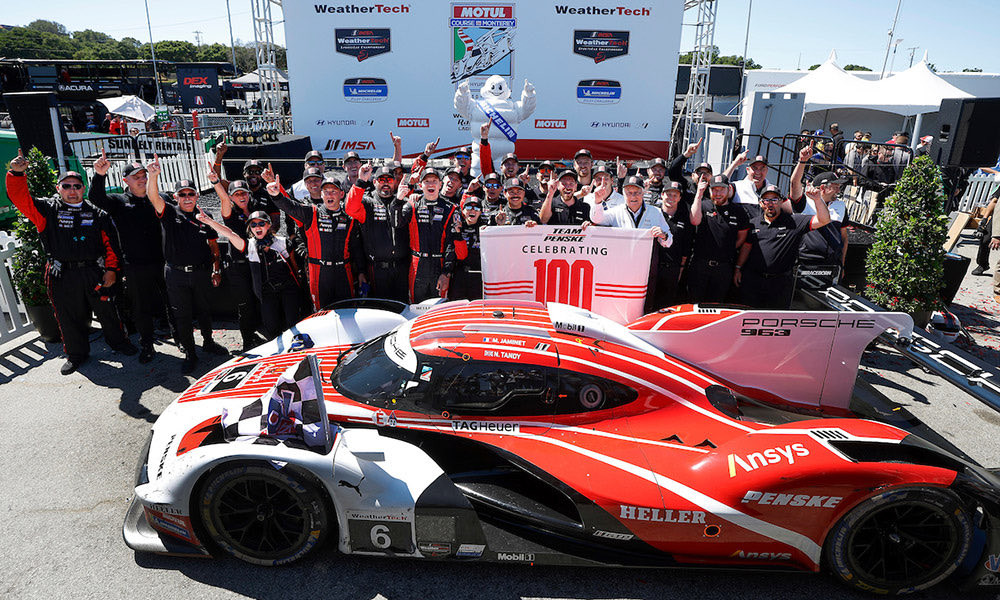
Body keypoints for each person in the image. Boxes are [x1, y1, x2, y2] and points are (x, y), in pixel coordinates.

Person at [7, 153, 137, 374]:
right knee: (68, 316)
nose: (72, 190)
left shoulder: (98, 214)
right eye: (66, 186)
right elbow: (21, 199)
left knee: (108, 311)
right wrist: (17, 173)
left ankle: (119, 343)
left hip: (95, 272)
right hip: (61, 275)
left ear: (83, 188)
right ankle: (76, 354)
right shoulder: (46, 209)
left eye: (77, 186)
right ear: (59, 189)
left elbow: (111, 246)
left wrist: (112, 270)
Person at [90, 151, 175, 363]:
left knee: (172, 301)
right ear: (125, 180)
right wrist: (99, 175)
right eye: (136, 176)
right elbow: (96, 198)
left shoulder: (158, 197)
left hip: (163, 261)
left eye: (143, 175)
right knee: (141, 307)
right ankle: (147, 344)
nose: (142, 179)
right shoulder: (119, 201)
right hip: (135, 265)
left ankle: (181, 337)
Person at [146, 160, 229, 374]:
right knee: (181, 315)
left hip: (201, 271)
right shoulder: (169, 213)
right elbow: (153, 197)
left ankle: (208, 342)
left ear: (197, 196)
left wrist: (216, 268)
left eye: (190, 194)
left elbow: (213, 244)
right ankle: (190, 354)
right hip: (176, 274)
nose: (187, 198)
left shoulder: (205, 217)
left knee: (204, 310)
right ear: (175, 197)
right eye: (182, 194)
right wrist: (153, 176)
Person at [197, 210, 300, 340]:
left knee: (293, 322)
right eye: (253, 225)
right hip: (267, 291)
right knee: (271, 326)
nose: (258, 227)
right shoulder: (249, 245)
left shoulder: (283, 242)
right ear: (250, 229)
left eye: (261, 223)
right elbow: (229, 234)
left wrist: (298, 287)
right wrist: (209, 221)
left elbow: (294, 266)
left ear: (268, 225)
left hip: (288, 288)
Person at [267, 172, 364, 311]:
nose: (329, 195)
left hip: (344, 270)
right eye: (326, 191)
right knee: (321, 312)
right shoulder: (311, 213)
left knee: (347, 310)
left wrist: (361, 271)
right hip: (319, 272)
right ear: (322, 194)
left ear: (341, 194)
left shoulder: (349, 217)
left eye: (333, 191)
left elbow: (356, 247)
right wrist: (276, 195)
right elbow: (290, 206)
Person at [735, 184, 830, 309]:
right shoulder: (753, 224)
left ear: (781, 202)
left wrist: (818, 199)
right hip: (753, 281)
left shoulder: (795, 221)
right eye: (766, 200)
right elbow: (746, 247)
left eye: (774, 200)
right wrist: (738, 268)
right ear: (761, 203)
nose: (770, 203)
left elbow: (824, 220)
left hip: (780, 284)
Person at [207, 169, 267, 351]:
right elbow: (223, 200)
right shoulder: (230, 213)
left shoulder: (256, 208)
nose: (241, 196)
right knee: (245, 305)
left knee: (260, 301)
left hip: (256, 264)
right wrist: (216, 182)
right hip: (238, 267)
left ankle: (258, 335)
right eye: (236, 194)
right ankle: (247, 342)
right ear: (232, 197)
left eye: (244, 193)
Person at [392, 168, 468, 301]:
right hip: (417, 263)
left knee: (439, 307)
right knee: (416, 306)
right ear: (420, 185)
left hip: (440, 264)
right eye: (427, 181)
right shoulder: (412, 205)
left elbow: (451, 244)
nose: (431, 184)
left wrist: (446, 272)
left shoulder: (451, 209)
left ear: (440, 184)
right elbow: (396, 223)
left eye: (434, 181)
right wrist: (398, 200)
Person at [346, 165, 411, 302]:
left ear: (395, 182)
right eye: (382, 179)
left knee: (404, 306)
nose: (386, 183)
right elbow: (350, 209)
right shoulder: (367, 203)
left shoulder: (404, 202)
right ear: (375, 182)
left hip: (403, 268)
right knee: (382, 308)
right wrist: (361, 181)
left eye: (389, 179)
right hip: (377, 270)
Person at [687, 174, 750, 303]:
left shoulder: (739, 211)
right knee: (694, 302)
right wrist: (699, 194)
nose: (718, 193)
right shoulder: (703, 205)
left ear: (729, 190)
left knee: (716, 304)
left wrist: (727, 249)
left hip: (723, 268)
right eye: (714, 189)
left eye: (722, 189)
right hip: (700, 265)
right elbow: (694, 220)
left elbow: (742, 237)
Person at [789, 151, 850, 277]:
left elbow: (844, 238)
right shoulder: (805, 202)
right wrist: (802, 161)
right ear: (823, 188)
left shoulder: (841, 205)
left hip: (832, 265)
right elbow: (794, 183)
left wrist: (842, 265)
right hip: (805, 263)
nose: (839, 190)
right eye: (836, 186)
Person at [653, 181, 693, 308]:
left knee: (667, 304)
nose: (671, 198)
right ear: (662, 195)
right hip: (653, 266)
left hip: (673, 268)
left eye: (675, 195)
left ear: (680, 198)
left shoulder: (684, 218)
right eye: (668, 194)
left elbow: (686, 246)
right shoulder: (653, 214)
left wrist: (681, 268)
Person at [446, 195, 485, 300]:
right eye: (468, 208)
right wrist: (458, 233)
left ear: (481, 212)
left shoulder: (486, 228)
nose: (473, 211)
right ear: (462, 211)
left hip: (479, 276)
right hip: (460, 275)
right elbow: (460, 255)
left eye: (476, 208)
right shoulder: (457, 228)